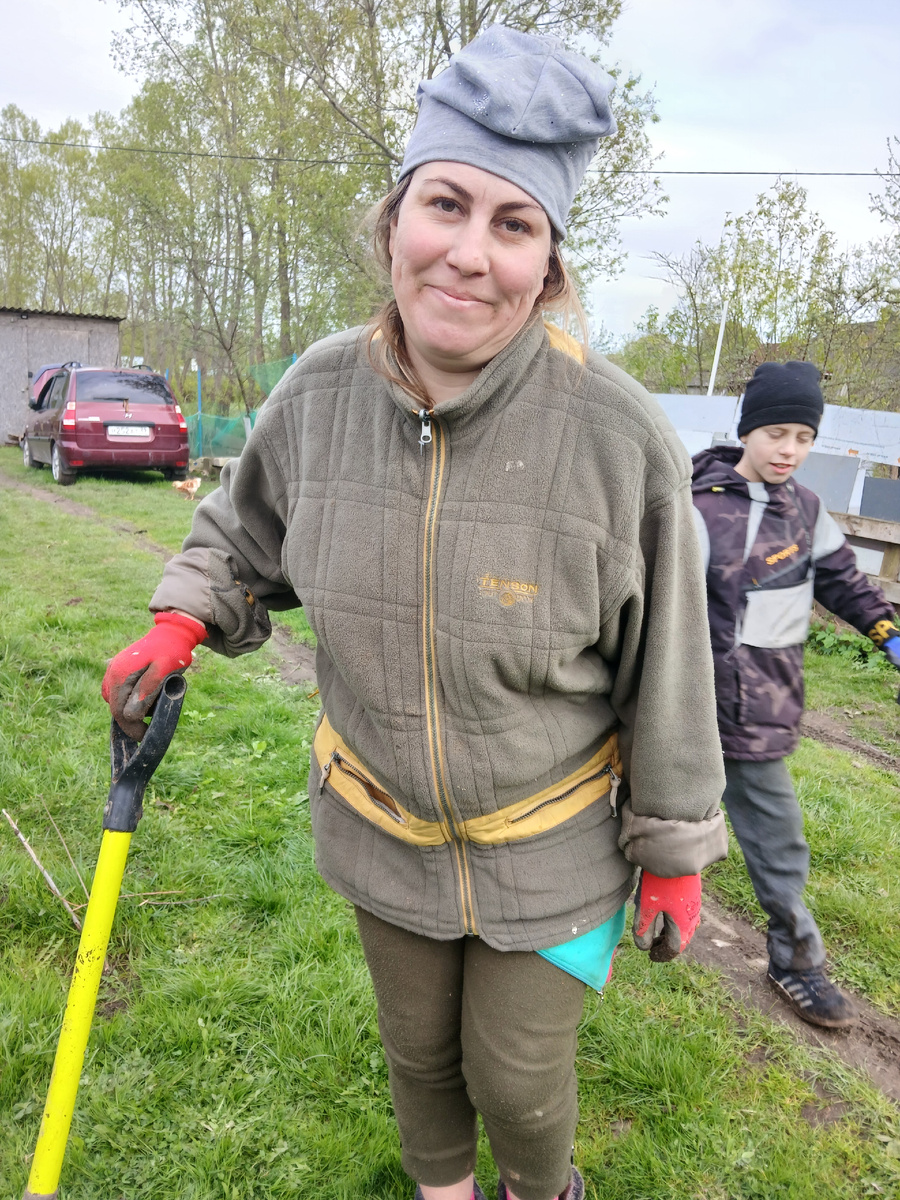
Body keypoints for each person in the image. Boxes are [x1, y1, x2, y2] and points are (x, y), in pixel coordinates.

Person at [103, 26, 727, 1200]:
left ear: (548, 266)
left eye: (515, 225)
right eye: (445, 204)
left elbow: (673, 672)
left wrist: (677, 850)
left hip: (551, 843)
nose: (469, 255)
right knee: (418, 1057)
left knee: (518, 1077)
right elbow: (241, 535)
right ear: (393, 222)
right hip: (377, 818)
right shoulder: (319, 391)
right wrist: (184, 618)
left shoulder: (619, 435)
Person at [692, 360, 900, 1031]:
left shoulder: (808, 512)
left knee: (778, 840)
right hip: (678, 706)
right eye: (777, 432)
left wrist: (887, 632)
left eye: (804, 436)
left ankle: (795, 960)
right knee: (632, 819)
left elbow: (845, 582)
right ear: (747, 430)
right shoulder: (690, 502)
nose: (789, 449)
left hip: (757, 714)